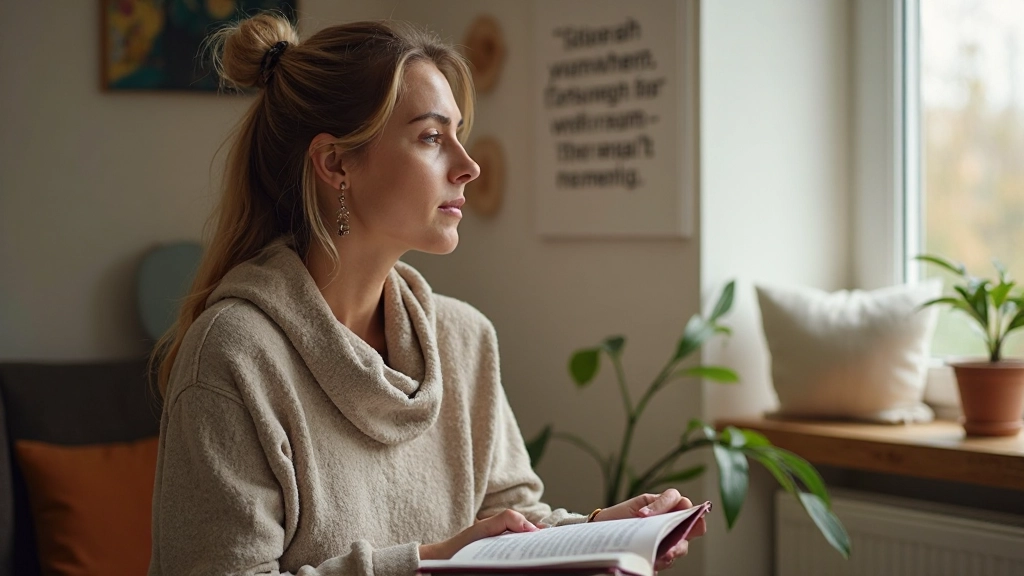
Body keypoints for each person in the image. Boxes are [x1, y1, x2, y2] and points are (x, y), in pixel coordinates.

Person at [149, 12, 705, 576]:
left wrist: (601, 532)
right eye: (432, 137)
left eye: (458, 134)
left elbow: (511, 526)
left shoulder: (463, 338)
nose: (469, 166)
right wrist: (430, 562)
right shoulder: (232, 354)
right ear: (336, 163)